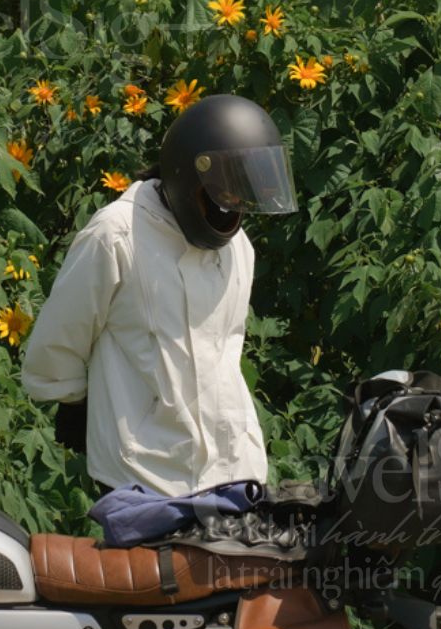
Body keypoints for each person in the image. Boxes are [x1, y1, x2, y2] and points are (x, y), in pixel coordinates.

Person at [20, 93, 296, 497]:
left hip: (235, 469)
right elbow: (58, 342)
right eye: (225, 189)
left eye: (242, 191)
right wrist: (73, 403)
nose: (233, 204)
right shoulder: (117, 235)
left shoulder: (239, 249)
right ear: (189, 176)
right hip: (143, 475)